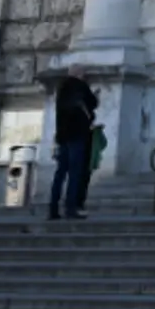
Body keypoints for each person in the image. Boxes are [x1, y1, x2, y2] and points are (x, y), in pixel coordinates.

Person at [49, 70, 99, 220]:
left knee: (60, 173)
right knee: (75, 172)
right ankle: (71, 207)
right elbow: (92, 104)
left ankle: (53, 208)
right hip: (77, 135)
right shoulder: (81, 88)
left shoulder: (61, 90)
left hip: (63, 136)